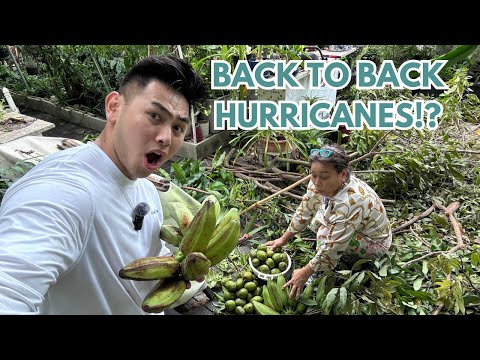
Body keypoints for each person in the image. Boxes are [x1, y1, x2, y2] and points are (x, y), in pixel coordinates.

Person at [0, 55, 208, 314]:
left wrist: (178, 272)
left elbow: (148, 253)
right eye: (155, 115)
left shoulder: (144, 187)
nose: (166, 137)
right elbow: (9, 291)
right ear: (114, 107)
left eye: (177, 127)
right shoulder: (61, 192)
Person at [266, 143, 392, 300]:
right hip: (353, 225)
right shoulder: (319, 183)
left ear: (343, 174)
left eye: (324, 177)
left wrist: (305, 272)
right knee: (321, 221)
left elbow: (334, 245)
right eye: (313, 175)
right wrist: (283, 239)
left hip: (375, 243)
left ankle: (324, 269)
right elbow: (306, 208)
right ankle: (323, 260)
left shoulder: (351, 201)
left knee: (325, 234)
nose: (317, 182)